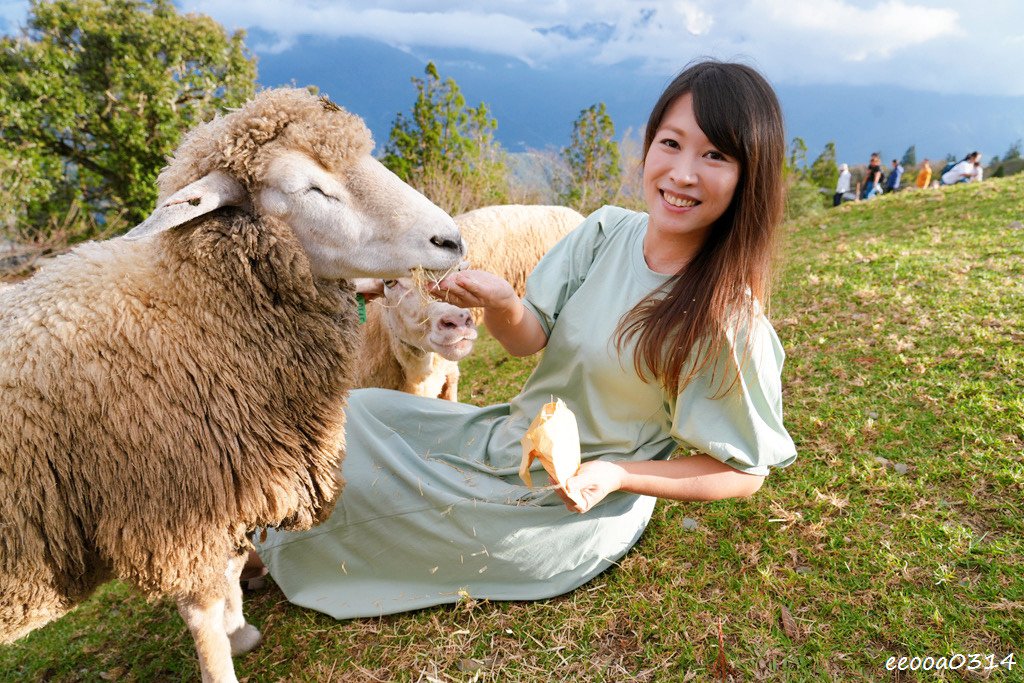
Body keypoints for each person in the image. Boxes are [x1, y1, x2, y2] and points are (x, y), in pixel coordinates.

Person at [250, 60, 797, 619]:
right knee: (357, 416)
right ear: (649, 146)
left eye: (714, 156)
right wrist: (503, 303)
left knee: (384, 496)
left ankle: (278, 544)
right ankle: (271, 522)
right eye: (671, 142)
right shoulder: (606, 232)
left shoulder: (728, 321)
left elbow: (742, 472)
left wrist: (617, 475)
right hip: (511, 439)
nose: (682, 173)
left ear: (747, 177)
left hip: (566, 502)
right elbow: (527, 340)